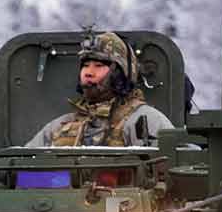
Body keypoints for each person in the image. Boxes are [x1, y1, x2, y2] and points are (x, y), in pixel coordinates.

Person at [25, 31, 174, 146]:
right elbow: (23, 166)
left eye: (99, 65)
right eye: (85, 65)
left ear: (119, 73)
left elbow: (175, 165)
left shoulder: (145, 121)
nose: (88, 72)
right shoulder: (59, 127)